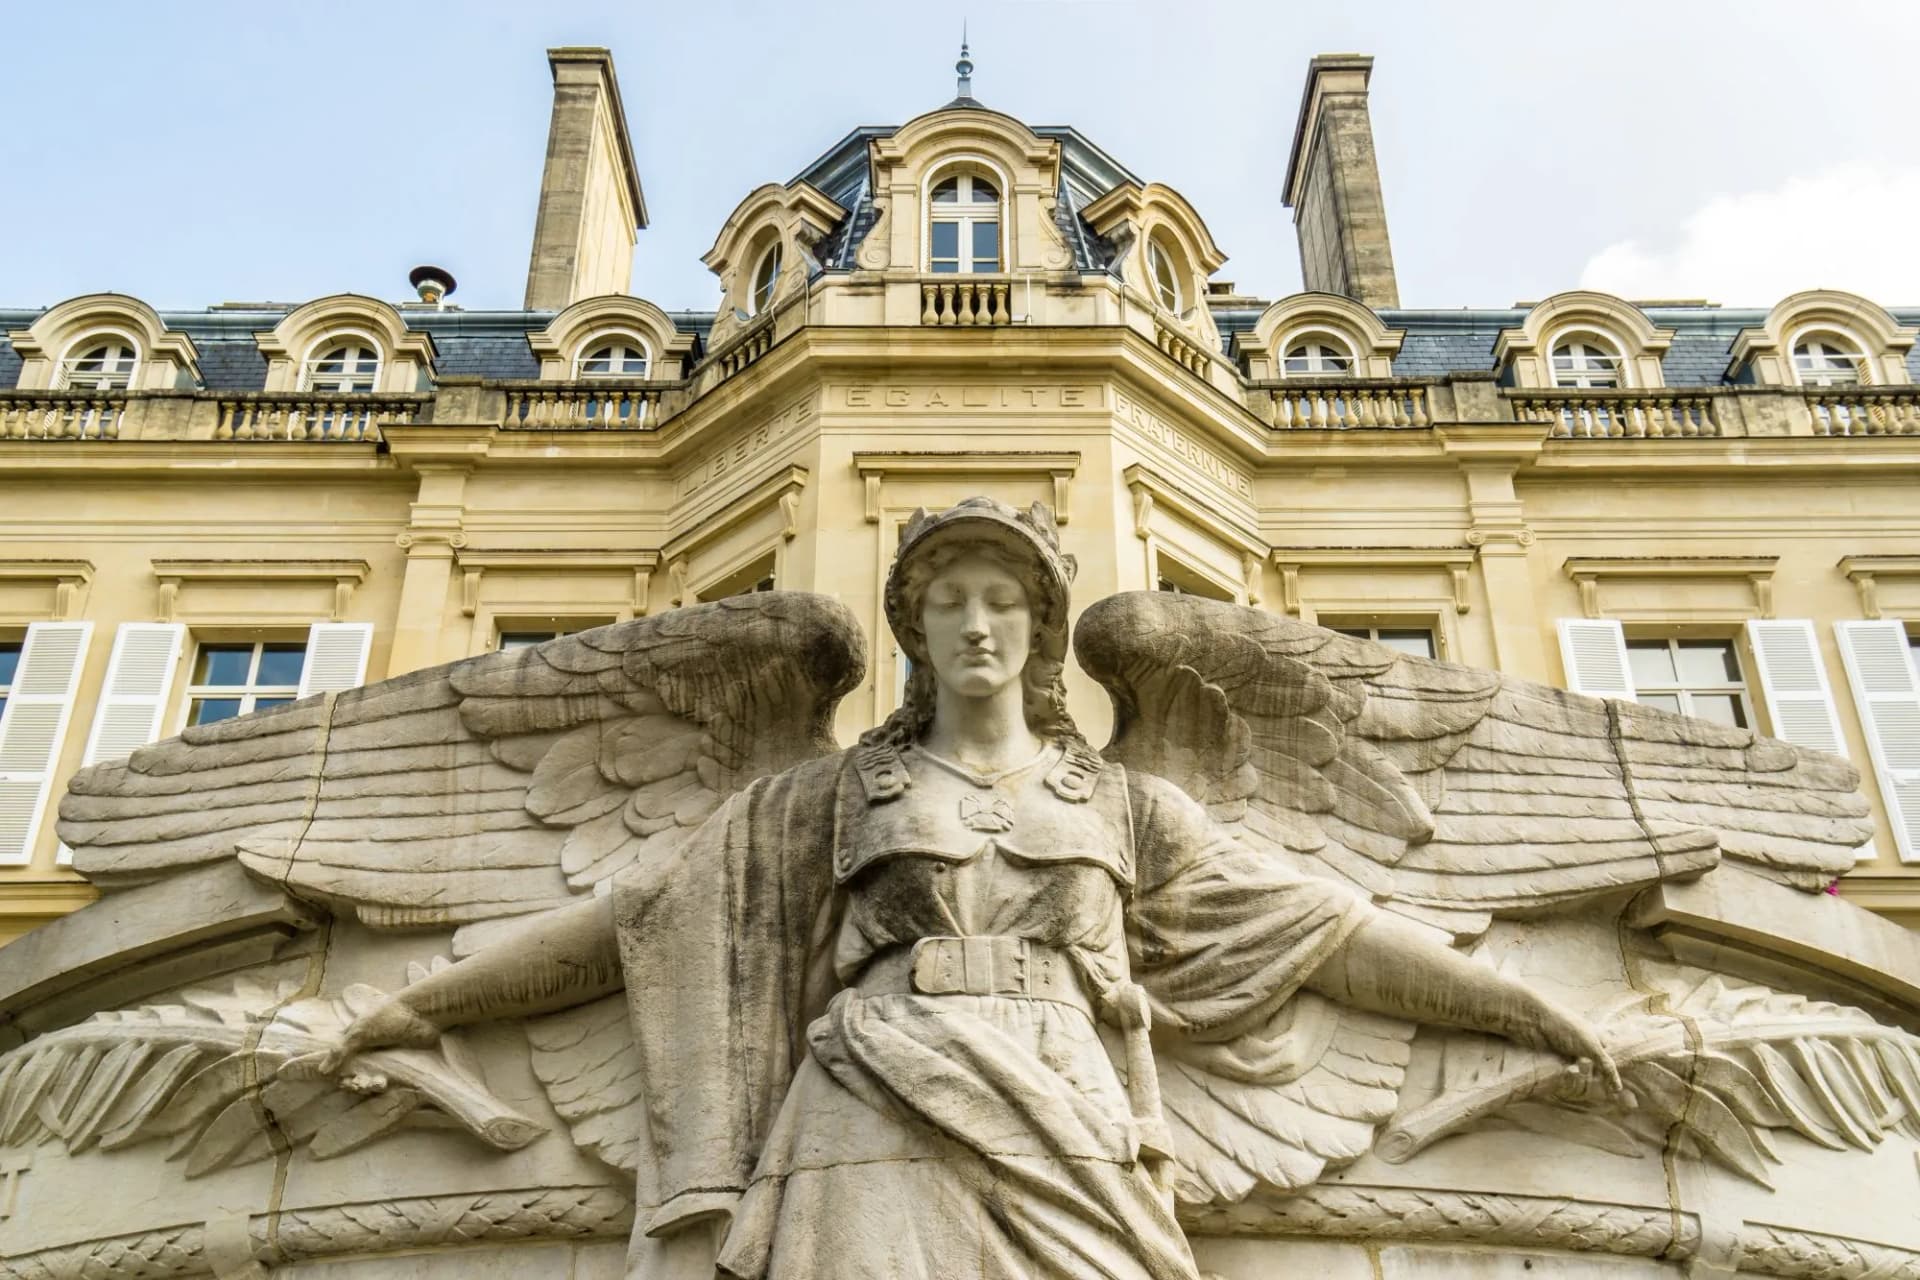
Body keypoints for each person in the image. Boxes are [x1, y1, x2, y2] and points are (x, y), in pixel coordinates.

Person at [322, 497, 1617, 1279]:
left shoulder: (1123, 805)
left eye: (1005, 599)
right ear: (915, 628)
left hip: (1073, 1093)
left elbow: (1330, 936)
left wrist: (1523, 1008)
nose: (979, 624)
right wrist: (419, 1007)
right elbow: (639, 927)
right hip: (868, 1090)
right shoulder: (821, 801)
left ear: (1044, 627)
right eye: (950, 601)